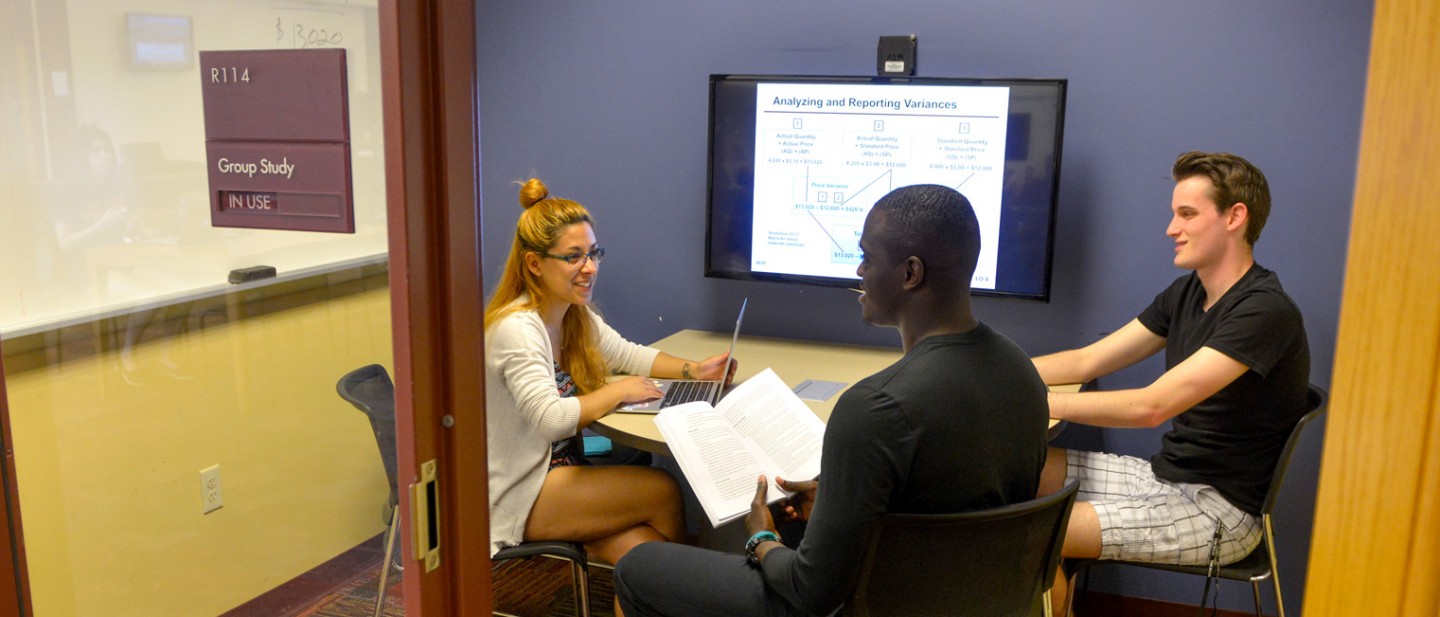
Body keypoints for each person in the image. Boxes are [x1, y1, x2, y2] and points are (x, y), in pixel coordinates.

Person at [613, 184, 1050, 617]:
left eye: (867, 257)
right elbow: (944, 498)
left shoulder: (875, 406)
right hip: (968, 598)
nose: (859, 271)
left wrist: (761, 540)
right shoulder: (1021, 373)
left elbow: (812, 593)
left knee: (638, 567)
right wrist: (842, 495)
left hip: (861, 605)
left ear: (910, 273)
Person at [1031, 151, 1311, 612]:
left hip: (1218, 513)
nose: (1170, 229)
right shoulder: (1188, 292)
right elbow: (1086, 361)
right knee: (1021, 464)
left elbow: (1151, 408)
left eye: (1187, 214)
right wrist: (993, 371)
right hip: (1166, 478)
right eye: (1173, 214)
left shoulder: (1264, 311)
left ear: (1235, 217)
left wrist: (1042, 403)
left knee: (1025, 536)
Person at [484, 178, 735, 576]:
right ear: (534, 263)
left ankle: (663, 591)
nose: (590, 268)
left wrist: (696, 370)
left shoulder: (572, 315)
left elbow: (629, 354)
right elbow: (551, 420)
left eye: (594, 253)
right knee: (664, 490)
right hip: (519, 490)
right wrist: (618, 391)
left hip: (556, 473)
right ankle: (684, 592)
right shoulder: (518, 327)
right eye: (574, 257)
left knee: (644, 557)